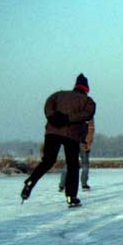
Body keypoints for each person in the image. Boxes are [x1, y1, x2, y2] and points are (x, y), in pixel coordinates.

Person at [21, 73, 96, 207]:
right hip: (71, 135)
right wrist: (68, 119)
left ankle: (30, 182)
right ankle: (70, 196)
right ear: (86, 88)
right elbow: (88, 114)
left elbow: (48, 104)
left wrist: (52, 117)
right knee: (73, 165)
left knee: (48, 161)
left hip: (52, 131)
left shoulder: (58, 95)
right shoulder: (87, 101)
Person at [59, 118, 94, 192]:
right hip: (83, 142)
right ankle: (84, 184)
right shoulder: (88, 114)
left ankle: (62, 185)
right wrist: (88, 142)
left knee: (69, 163)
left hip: (72, 141)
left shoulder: (72, 112)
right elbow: (91, 129)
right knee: (85, 164)